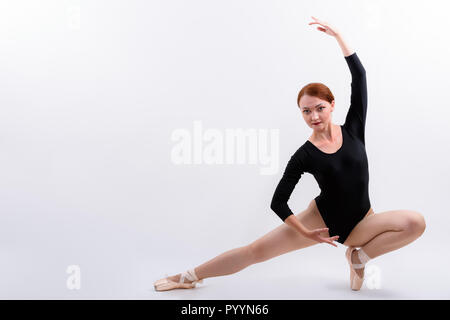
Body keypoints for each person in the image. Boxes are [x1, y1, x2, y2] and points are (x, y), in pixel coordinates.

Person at [154, 16, 426, 292]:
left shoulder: (354, 128)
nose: (314, 116)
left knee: (415, 223)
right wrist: (305, 232)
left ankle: (358, 258)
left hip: (363, 221)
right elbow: (278, 202)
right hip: (321, 220)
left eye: (319, 107)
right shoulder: (304, 155)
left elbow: (360, 77)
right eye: (306, 111)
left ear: (332, 105)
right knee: (254, 252)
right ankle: (187, 277)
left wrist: (339, 38)